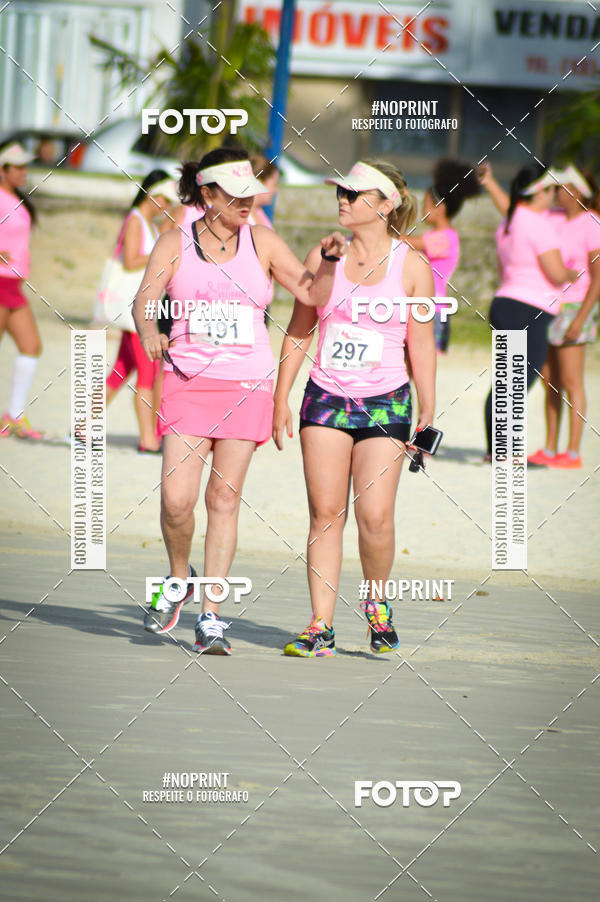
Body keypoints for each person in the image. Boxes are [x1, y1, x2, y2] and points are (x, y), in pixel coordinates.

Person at [134, 147, 316, 654]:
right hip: (188, 380)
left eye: (250, 192)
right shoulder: (174, 241)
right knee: (176, 501)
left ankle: (211, 616)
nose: (246, 201)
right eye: (234, 193)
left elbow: (310, 291)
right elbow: (145, 299)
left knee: (223, 500)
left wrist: (329, 260)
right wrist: (149, 327)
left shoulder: (262, 240)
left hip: (247, 385)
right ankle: (178, 578)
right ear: (207, 194)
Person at [273, 159, 436, 657]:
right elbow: (301, 328)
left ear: (387, 205)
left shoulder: (412, 265)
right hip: (324, 398)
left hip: (387, 402)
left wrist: (428, 406)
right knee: (325, 514)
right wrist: (281, 395)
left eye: (354, 193)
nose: (342, 199)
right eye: (339, 192)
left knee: (376, 517)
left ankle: (377, 606)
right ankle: (320, 624)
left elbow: (421, 343)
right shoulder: (324, 254)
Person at [482, 164, 577, 460]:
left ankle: (495, 450)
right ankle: (504, 451)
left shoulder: (509, 222)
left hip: (505, 302)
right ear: (539, 191)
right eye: (550, 189)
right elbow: (555, 271)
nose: (553, 196)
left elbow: (502, 267)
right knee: (519, 380)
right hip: (530, 308)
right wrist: (571, 273)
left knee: (505, 379)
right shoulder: (537, 224)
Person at [529, 166, 600, 469]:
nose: (556, 191)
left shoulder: (592, 223)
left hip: (576, 309)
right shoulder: (552, 218)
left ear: (578, 191)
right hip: (549, 307)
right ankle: (549, 447)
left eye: (562, 186)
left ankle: (572, 453)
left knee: (572, 381)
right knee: (550, 382)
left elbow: (597, 278)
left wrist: (581, 319)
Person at [103, 170, 178, 453]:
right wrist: (161, 252)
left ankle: (82, 426)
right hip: (135, 310)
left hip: (143, 307)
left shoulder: (149, 223)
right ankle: (148, 439)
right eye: (165, 200)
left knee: (120, 372)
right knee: (148, 374)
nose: (167, 206)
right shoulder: (135, 219)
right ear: (154, 195)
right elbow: (132, 259)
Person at [401, 158, 480, 352]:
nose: (423, 210)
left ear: (440, 208)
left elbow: (406, 241)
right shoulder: (440, 236)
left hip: (433, 310)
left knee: (421, 364)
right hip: (424, 306)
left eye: (426, 204)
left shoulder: (446, 238)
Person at [0, 142, 43, 439]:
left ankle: (14, 415)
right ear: (3, 170)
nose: (23, 172)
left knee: (31, 347)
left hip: (14, 284)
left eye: (25, 166)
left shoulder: (18, 200)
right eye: (17, 167)